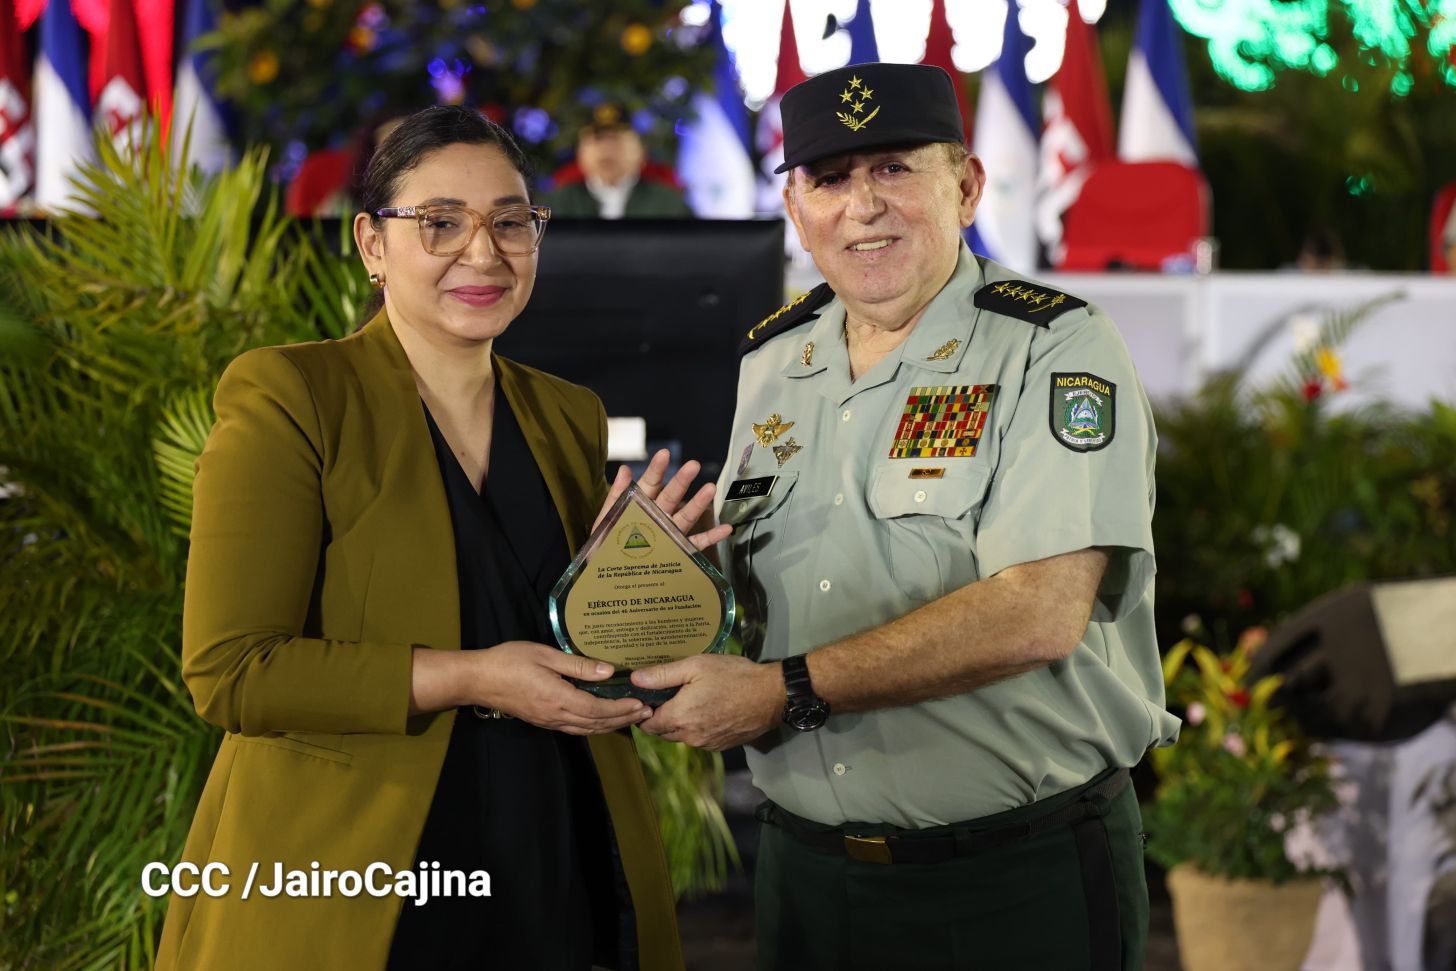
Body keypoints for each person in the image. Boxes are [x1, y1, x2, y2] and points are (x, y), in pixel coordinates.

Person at [628, 63, 1180, 970]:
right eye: (830, 179)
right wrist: (650, 569)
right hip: (806, 875)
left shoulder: (1055, 344)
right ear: (796, 206)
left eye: (892, 169)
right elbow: (765, 586)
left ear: (964, 186)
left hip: (1009, 878)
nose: (862, 206)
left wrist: (783, 690)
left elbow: (1038, 610)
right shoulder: (775, 357)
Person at [156, 105, 727, 970]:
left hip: (552, 846)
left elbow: (561, 635)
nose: (483, 252)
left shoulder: (567, 413)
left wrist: (634, 588)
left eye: (510, 221)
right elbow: (232, 670)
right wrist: (472, 676)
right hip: (366, 871)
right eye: (440, 223)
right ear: (372, 244)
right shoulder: (293, 396)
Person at [545, 104, 692, 219]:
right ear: (580, 152)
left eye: (617, 140)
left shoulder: (667, 204)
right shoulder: (558, 204)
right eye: (598, 139)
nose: (607, 149)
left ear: (641, 151)